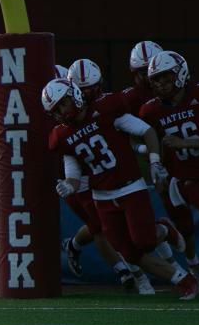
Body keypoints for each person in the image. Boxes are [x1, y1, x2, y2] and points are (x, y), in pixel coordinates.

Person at [44, 78, 199, 300]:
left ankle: (164, 229)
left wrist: (154, 162)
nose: (60, 112)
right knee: (130, 253)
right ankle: (185, 281)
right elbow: (74, 173)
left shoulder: (105, 109)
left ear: (74, 96)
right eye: (55, 109)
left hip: (130, 188)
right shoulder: (61, 135)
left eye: (62, 104)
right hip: (102, 197)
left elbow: (146, 131)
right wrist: (69, 185)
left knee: (144, 242)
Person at [140, 51, 199, 279]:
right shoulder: (151, 111)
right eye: (156, 80)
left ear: (180, 74)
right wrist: (156, 164)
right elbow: (147, 143)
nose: (161, 85)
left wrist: (182, 142)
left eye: (166, 78)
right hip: (187, 178)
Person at [61, 60, 150, 293]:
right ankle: (127, 272)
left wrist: (139, 150)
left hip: (106, 174)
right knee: (100, 225)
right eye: (83, 89)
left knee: (108, 225)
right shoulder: (64, 111)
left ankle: (75, 244)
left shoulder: (107, 106)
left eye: (92, 87)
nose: (89, 93)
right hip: (81, 178)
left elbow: (122, 134)